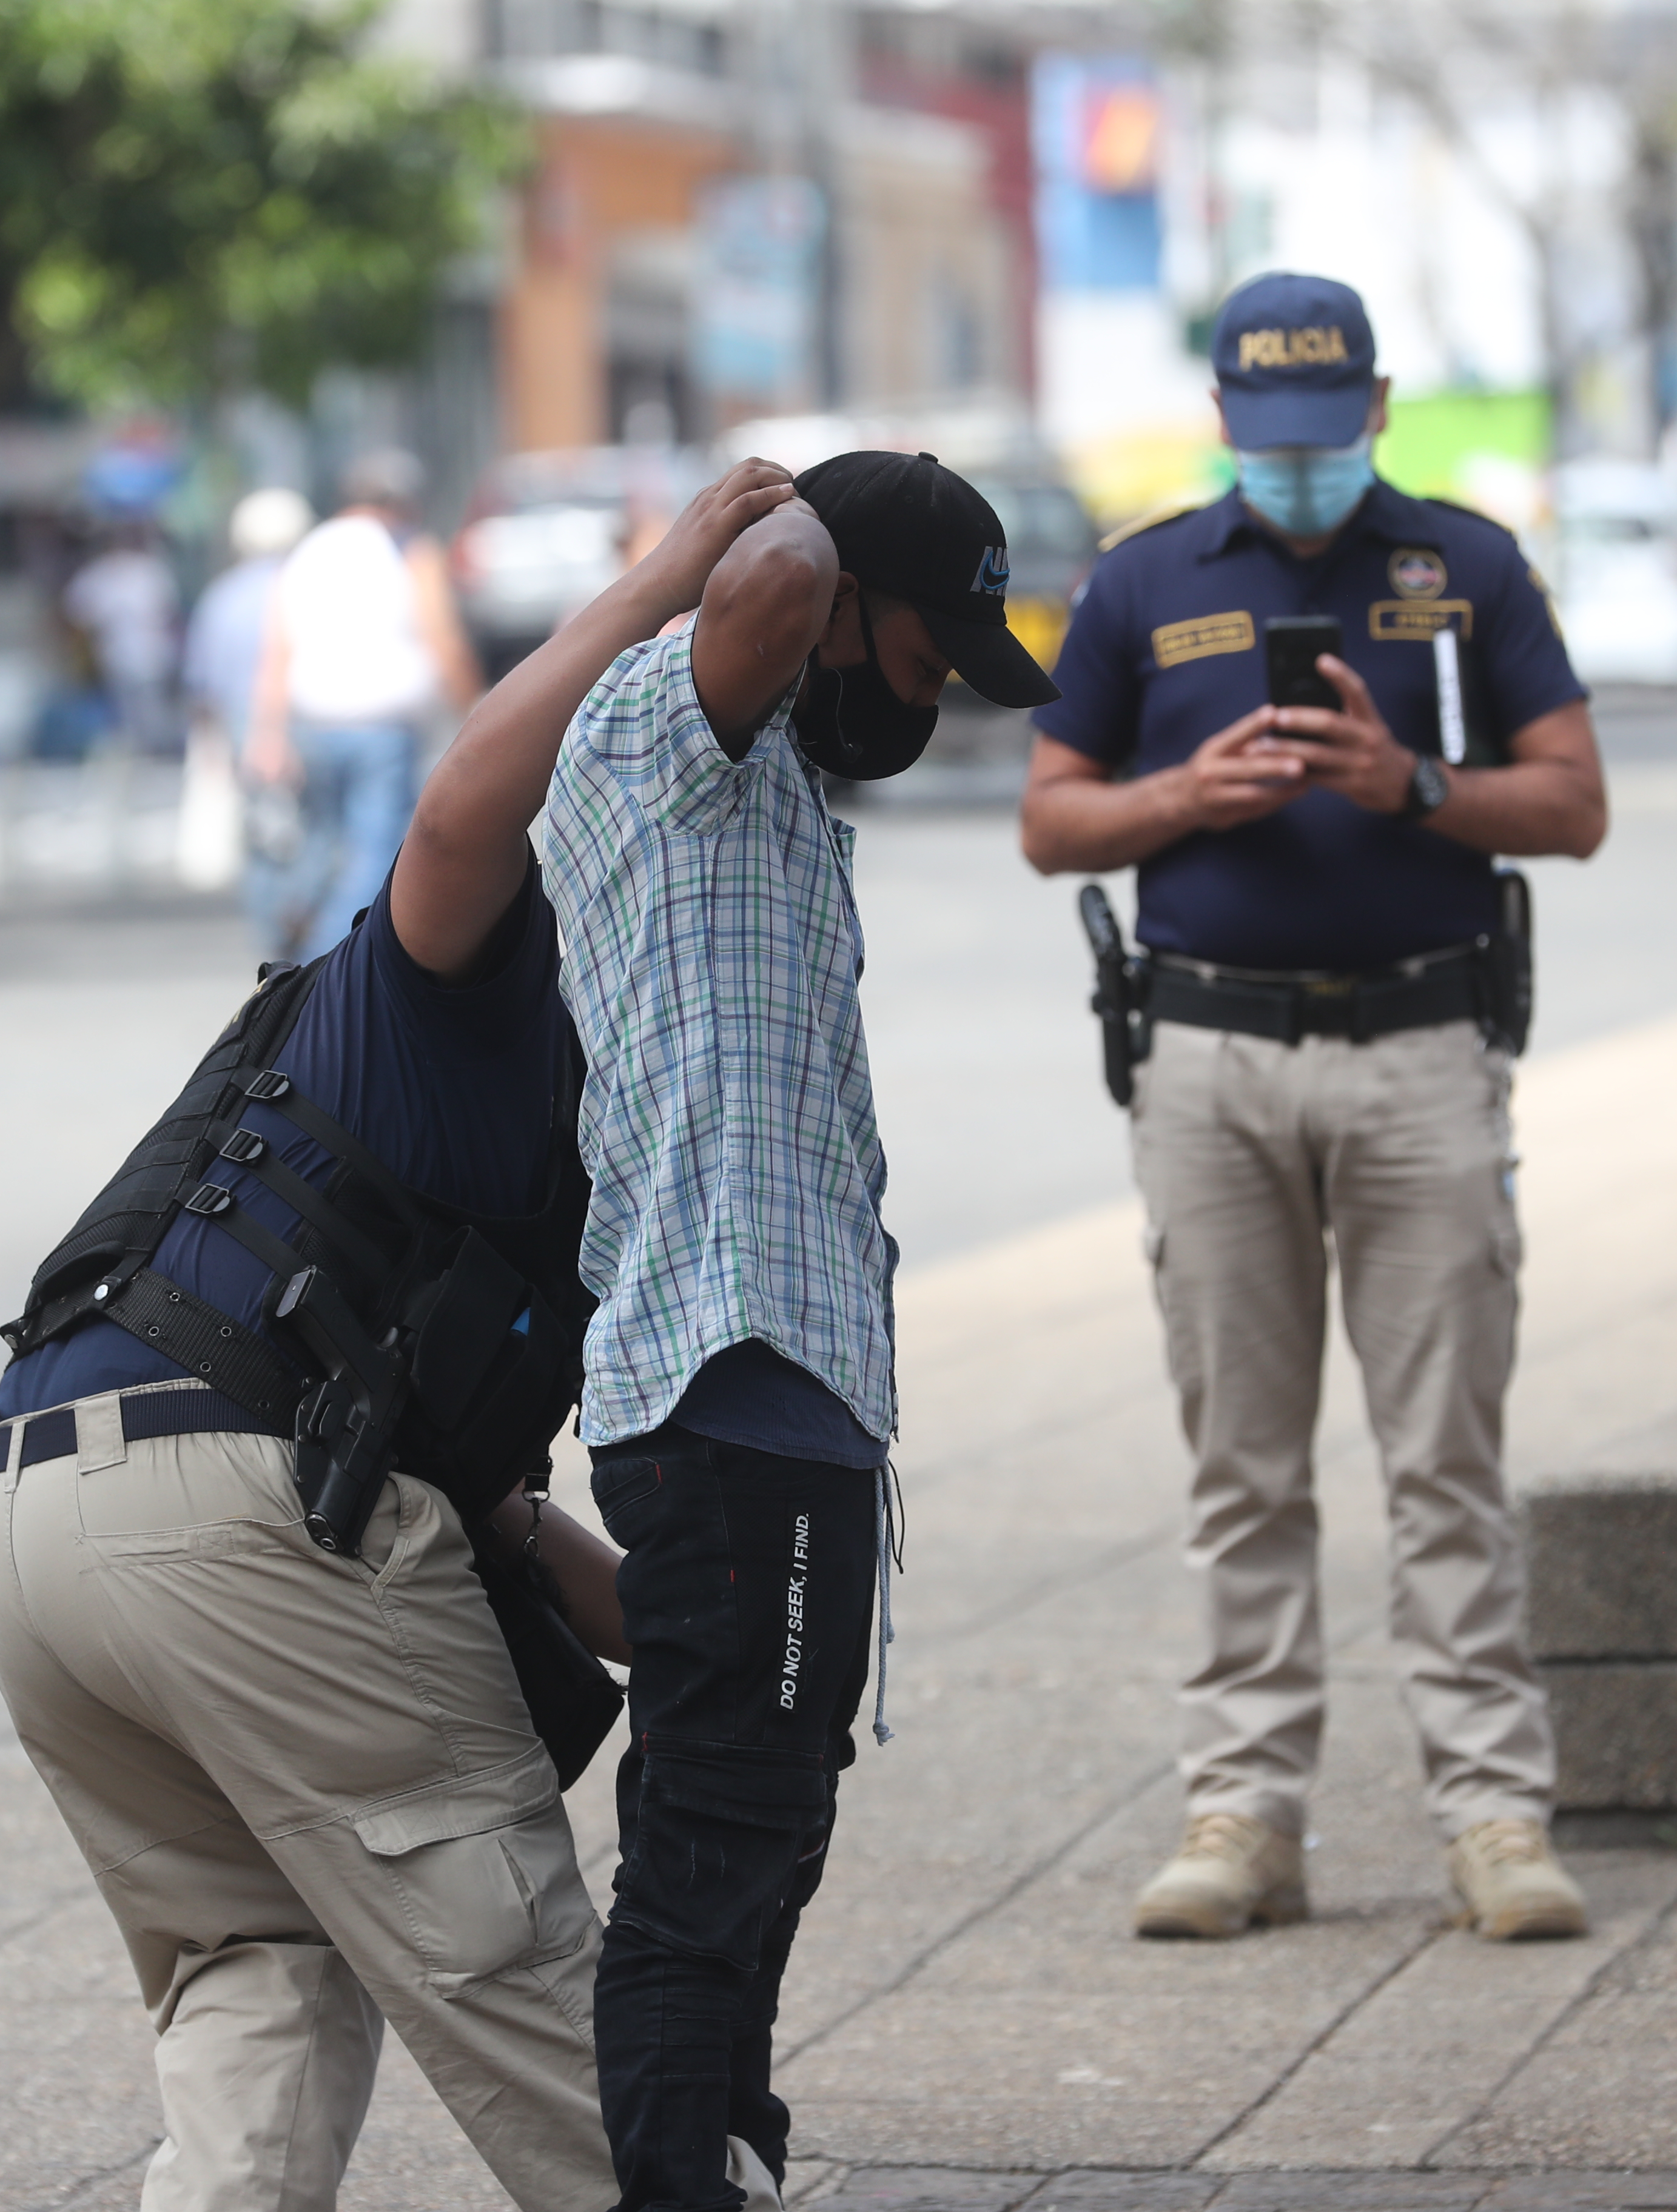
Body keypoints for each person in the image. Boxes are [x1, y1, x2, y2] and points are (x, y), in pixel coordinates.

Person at [0, 457, 810, 2212]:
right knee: (545, 2013)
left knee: (256, 1972)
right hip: (247, 1516)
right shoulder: (466, 980)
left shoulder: (413, 1098)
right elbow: (451, 816)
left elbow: (486, 1510)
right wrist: (661, 582)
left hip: (44, 1521)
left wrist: (717, 1638)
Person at [1017, 272, 1611, 1945]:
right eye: (1267, 437)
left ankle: (1495, 1815)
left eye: (1327, 431)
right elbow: (1051, 823)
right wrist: (1181, 797)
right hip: (1210, 1064)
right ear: (1223, 424)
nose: (1297, 466)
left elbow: (1574, 802)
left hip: (1425, 1053)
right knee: (1243, 1464)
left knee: (1446, 1461)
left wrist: (1410, 786)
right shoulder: (1142, 580)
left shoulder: (1466, 569)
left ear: (1378, 407)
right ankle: (1245, 1816)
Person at [539, 448, 1061, 2212]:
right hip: (728, 1380)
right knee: (709, 1852)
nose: (925, 702)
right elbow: (768, 580)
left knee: (769, 1828)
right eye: (924, 657)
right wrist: (785, 525)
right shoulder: (666, 739)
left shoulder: (770, 788)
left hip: (796, 1395)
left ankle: (726, 2155)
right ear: (838, 607)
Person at [246, 449, 480, 959]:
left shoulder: (309, 551)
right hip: (382, 728)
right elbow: (443, 637)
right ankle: (323, 966)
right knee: (375, 852)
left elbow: (277, 650)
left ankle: (289, 928)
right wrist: (477, 708)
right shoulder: (407, 551)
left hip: (313, 723)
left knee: (321, 844)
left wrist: (268, 731)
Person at [184, 487, 316, 936]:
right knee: (316, 829)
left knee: (261, 837)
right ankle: (314, 933)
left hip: (243, 724)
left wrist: (210, 744)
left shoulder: (222, 596)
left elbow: (201, 682)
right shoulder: (310, 585)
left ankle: (273, 944)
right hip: (309, 719)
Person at [64, 511, 185, 756]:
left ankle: (160, 757)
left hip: (153, 659)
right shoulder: (99, 576)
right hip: (119, 661)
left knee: (156, 719)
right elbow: (76, 618)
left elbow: (169, 615)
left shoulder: (148, 571)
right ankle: (150, 759)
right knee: (132, 722)